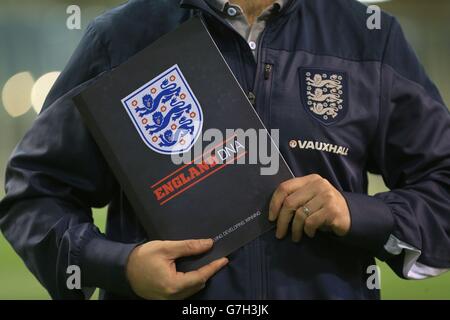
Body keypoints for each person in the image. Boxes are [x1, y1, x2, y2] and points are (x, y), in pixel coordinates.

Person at [1, 0, 449, 300]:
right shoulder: (121, 36)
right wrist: (120, 265)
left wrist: (356, 213)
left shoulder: (369, 38)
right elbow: (34, 195)